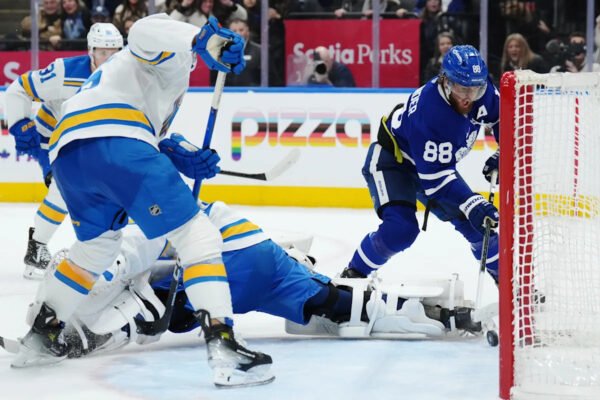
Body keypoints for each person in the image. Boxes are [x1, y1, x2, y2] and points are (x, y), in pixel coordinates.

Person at [10, 14, 273, 389]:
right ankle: (226, 347)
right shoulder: (168, 44)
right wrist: (203, 38)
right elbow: (143, 31)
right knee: (198, 236)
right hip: (115, 143)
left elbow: (145, 128)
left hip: (70, 154)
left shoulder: (142, 73)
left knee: (95, 250)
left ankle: (41, 337)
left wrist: (181, 153)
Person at [34, 200, 482, 360]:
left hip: (231, 268)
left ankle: (84, 339)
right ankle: (438, 314)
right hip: (265, 256)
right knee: (338, 303)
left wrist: (69, 302)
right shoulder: (171, 201)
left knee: (158, 300)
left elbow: (122, 261)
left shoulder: (137, 223)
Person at [340, 45, 501, 288]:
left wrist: (503, 150)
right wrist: (471, 202)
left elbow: (500, 118)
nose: (469, 97)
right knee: (401, 230)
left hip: (432, 167)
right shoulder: (431, 113)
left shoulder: (483, 91)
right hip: (393, 162)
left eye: (475, 89)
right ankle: (352, 277)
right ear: (446, 81)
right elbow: (436, 181)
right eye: (462, 89)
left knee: (480, 229)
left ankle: (509, 282)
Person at [4, 23, 124, 280]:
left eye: (115, 53)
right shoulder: (64, 72)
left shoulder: (128, 76)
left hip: (87, 141)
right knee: (62, 190)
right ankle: (37, 249)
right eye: (103, 52)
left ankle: (109, 251)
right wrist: (20, 123)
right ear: (90, 51)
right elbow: (19, 88)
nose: (109, 59)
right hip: (53, 140)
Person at [210, 18, 260, 86]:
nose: (238, 33)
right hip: (226, 91)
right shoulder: (219, 52)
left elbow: (268, 77)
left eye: (241, 30)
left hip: (252, 91)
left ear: (247, 31)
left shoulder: (259, 51)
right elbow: (214, 78)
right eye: (234, 31)